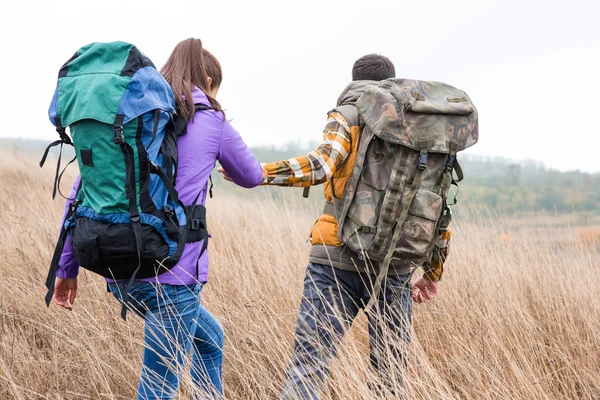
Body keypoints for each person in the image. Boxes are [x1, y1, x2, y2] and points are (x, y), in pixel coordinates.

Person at [222, 54, 452, 399]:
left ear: (354, 79)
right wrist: (433, 273)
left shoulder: (348, 115)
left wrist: (259, 173)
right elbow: (437, 204)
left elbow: (320, 166)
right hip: (395, 264)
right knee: (390, 375)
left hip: (334, 259)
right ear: (393, 81)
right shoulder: (421, 130)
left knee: (309, 367)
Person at [51, 39, 264, 399]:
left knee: (211, 341)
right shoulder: (210, 120)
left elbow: (81, 192)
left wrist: (65, 269)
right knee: (157, 387)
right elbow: (252, 175)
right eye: (216, 87)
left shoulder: (138, 120)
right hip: (171, 273)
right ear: (208, 81)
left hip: (123, 270)